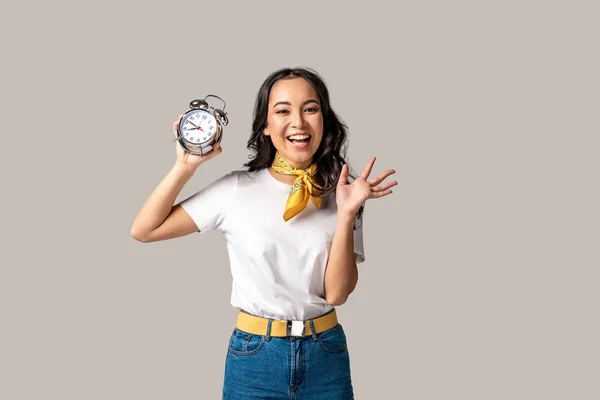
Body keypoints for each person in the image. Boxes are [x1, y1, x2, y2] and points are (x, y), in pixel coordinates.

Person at [130, 67, 397, 399]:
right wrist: (185, 166)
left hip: (325, 354)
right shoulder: (236, 189)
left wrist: (345, 214)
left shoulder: (343, 193)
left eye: (310, 109)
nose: (298, 122)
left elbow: (337, 295)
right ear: (266, 127)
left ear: (323, 121)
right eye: (283, 111)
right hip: (255, 357)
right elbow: (145, 229)